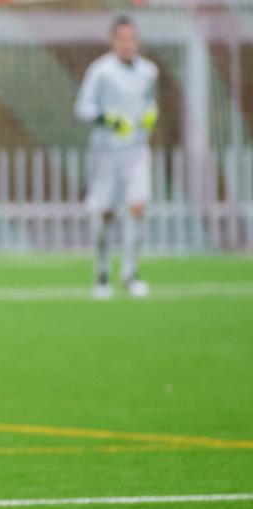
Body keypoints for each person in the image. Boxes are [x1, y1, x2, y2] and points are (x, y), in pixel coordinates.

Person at [74, 15, 159, 299]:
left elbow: (150, 102)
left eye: (132, 39)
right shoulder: (100, 71)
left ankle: (130, 273)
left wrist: (150, 114)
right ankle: (101, 273)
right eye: (122, 39)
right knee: (105, 214)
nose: (127, 44)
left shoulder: (149, 72)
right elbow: (83, 107)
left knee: (138, 207)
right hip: (106, 151)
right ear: (113, 41)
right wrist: (107, 118)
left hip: (136, 150)